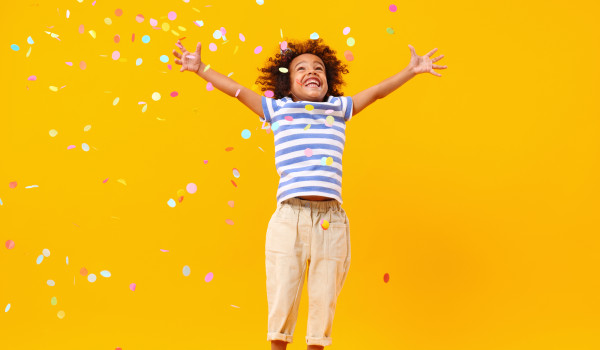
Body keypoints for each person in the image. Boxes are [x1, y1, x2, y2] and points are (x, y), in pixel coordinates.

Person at [173, 37, 447, 350]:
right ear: (286, 84)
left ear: (329, 80)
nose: (311, 71)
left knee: (323, 301)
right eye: (300, 68)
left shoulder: (338, 108)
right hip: (290, 217)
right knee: (282, 297)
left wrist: (410, 71)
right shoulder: (276, 109)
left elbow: (377, 93)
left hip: (332, 221)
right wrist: (200, 69)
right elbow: (236, 90)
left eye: (318, 68)